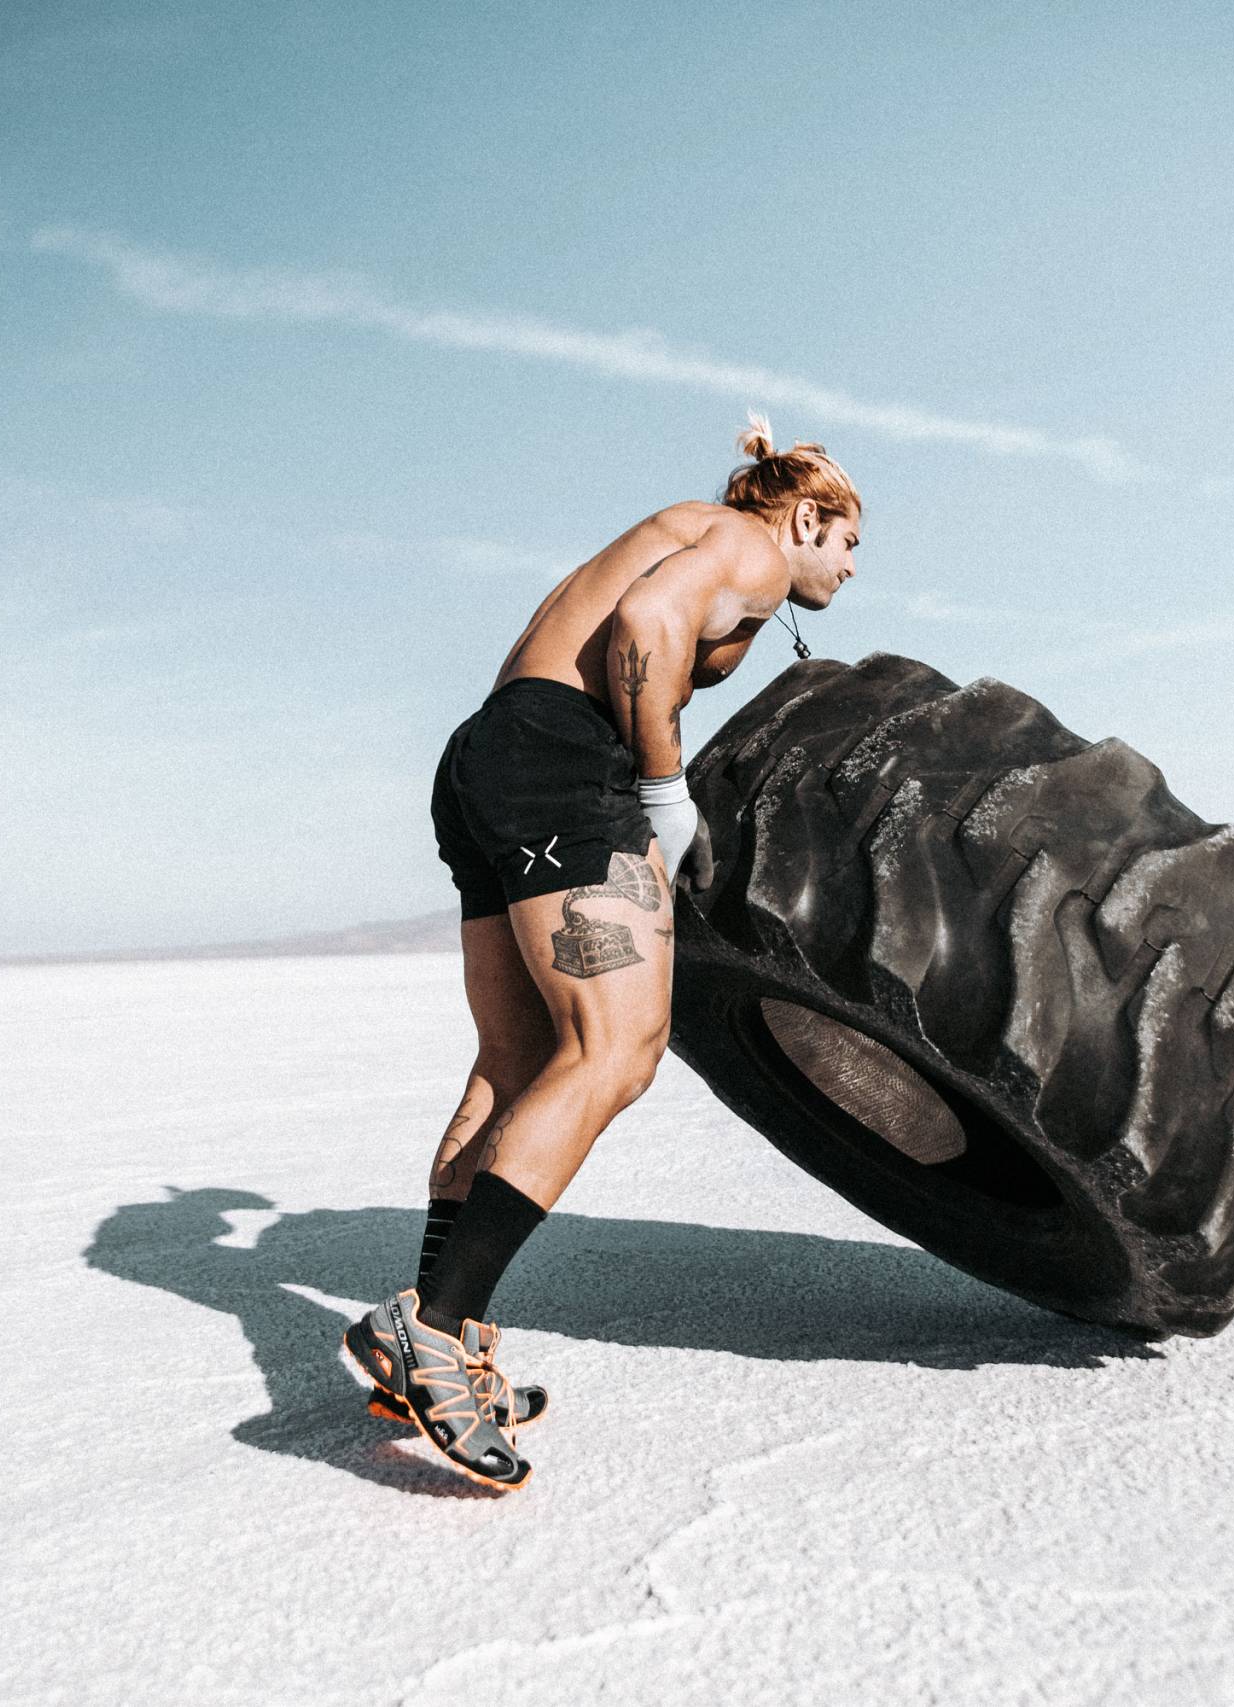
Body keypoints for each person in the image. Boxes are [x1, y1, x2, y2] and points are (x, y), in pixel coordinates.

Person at [343, 417, 864, 1489]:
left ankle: (448, 1344)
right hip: (562, 770)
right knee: (618, 1049)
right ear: (808, 516)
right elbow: (647, 621)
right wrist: (665, 790)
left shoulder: (687, 524)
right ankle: (432, 1328)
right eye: (849, 542)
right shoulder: (749, 546)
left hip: (492, 755)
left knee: (517, 1066)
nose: (850, 567)